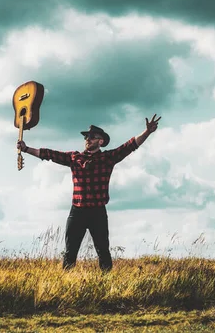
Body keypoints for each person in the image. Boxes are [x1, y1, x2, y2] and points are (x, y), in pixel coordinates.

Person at [16, 114, 161, 272]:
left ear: (101, 141)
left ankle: (106, 283)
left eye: (92, 137)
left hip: (97, 212)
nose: (88, 139)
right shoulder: (74, 158)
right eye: (86, 137)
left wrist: (146, 132)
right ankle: (65, 283)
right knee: (70, 252)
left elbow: (129, 146)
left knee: (103, 251)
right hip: (77, 211)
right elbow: (49, 155)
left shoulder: (108, 158)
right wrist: (26, 149)